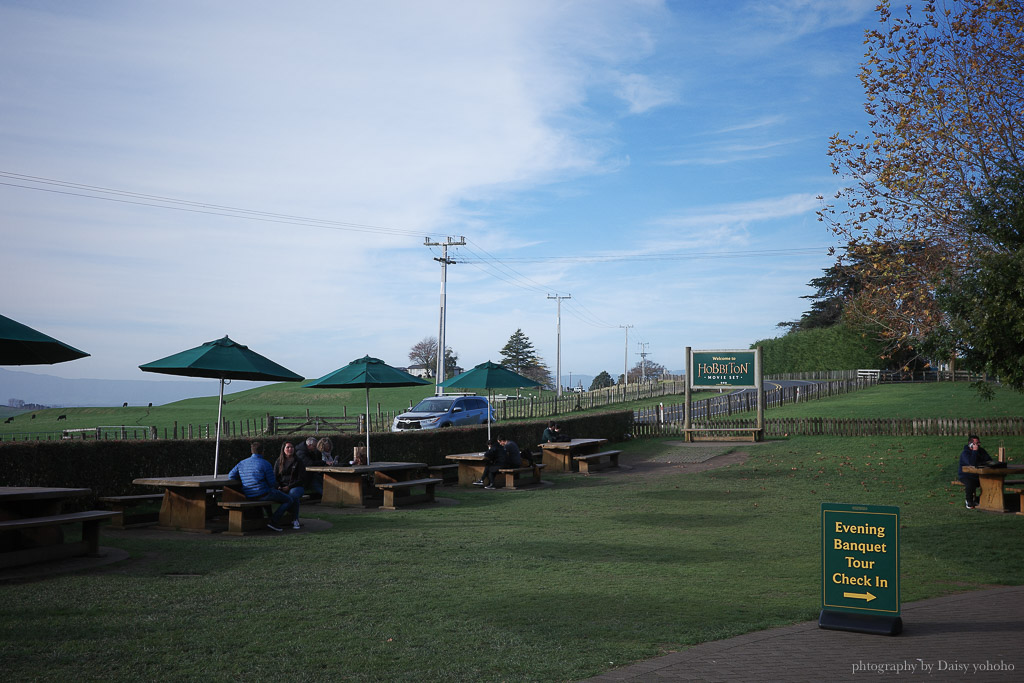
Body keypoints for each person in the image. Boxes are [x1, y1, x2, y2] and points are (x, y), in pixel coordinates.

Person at [228, 441, 294, 531]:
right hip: (263, 493)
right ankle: (274, 521)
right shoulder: (265, 464)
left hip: (249, 494)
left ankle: (269, 518)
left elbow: (231, 475)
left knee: (270, 497)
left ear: (251, 451)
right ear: (263, 451)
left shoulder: (242, 463)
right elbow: (272, 483)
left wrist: (245, 478)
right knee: (289, 500)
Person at [274, 441, 307, 529]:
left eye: (291, 447)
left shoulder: (299, 461)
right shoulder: (279, 461)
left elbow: (301, 479)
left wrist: (289, 487)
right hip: (282, 486)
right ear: (283, 449)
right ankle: (294, 518)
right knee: (292, 499)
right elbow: (275, 477)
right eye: (287, 447)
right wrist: (279, 486)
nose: (290, 449)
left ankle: (278, 518)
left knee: (293, 495)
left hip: (296, 486)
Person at [957, 434, 993, 509]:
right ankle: (969, 501)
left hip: (979, 474)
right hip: (966, 475)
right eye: (975, 443)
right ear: (970, 444)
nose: (977, 445)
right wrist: (974, 451)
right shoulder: (965, 453)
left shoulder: (982, 451)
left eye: (978, 443)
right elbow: (972, 463)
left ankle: (985, 500)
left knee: (990, 481)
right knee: (970, 483)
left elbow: (989, 460)